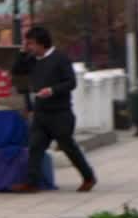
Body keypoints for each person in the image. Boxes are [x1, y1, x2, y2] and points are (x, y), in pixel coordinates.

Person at [11, 26, 97, 192]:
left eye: (31, 44)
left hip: (60, 113)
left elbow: (71, 82)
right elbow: (16, 70)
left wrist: (52, 90)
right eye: (27, 44)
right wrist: (22, 52)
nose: (29, 47)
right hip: (41, 112)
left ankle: (88, 177)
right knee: (35, 146)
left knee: (68, 147)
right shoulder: (31, 60)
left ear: (42, 44)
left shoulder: (60, 58)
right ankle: (32, 182)